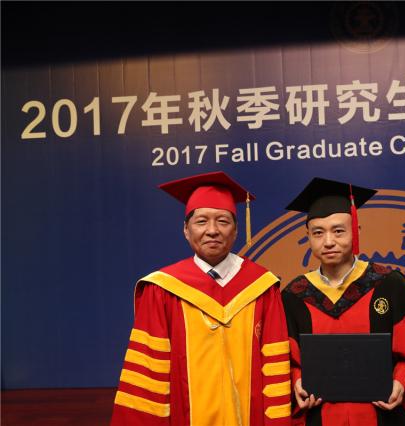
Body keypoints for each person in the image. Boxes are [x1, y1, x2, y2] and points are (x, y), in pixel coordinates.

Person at [111, 171, 291, 426]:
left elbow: (275, 371)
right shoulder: (162, 289)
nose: (212, 230)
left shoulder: (262, 287)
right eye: (201, 221)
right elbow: (148, 378)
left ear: (236, 230)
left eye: (223, 221)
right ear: (186, 230)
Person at [281, 177, 405, 425]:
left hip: (382, 413)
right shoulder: (294, 295)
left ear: (356, 231)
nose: (328, 241)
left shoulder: (389, 285)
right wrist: (297, 381)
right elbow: (285, 360)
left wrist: (401, 383)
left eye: (338, 231)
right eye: (318, 233)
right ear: (308, 237)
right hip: (320, 415)